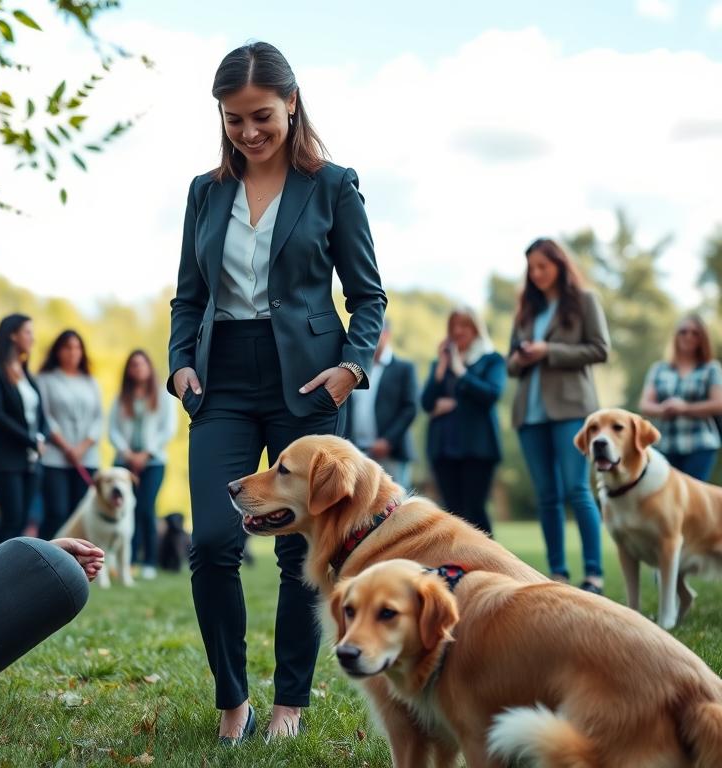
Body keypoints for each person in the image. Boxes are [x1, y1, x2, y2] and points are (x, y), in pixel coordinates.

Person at [167, 42, 386, 743]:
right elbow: (188, 296)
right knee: (213, 545)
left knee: (302, 552)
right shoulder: (205, 191)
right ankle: (234, 701)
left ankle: (290, 702)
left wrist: (351, 367)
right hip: (222, 378)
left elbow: (368, 296)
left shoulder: (333, 184)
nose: (249, 132)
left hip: (307, 382)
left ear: (292, 103)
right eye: (234, 121)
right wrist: (179, 364)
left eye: (261, 116)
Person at [508, 237, 610, 593]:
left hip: (571, 409)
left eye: (543, 266)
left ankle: (594, 574)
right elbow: (509, 364)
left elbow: (600, 349)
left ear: (560, 265)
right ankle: (558, 573)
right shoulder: (526, 309)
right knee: (547, 496)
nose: (536, 274)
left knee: (576, 489)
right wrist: (521, 358)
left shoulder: (584, 301)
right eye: (531, 268)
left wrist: (548, 350)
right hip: (529, 414)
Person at [421, 306, 506, 536]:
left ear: (476, 329)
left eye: (464, 326)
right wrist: (441, 368)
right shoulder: (441, 364)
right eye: (453, 326)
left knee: (475, 511)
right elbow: (427, 403)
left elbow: (491, 395)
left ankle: (489, 564)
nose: (458, 331)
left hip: (477, 448)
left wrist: (461, 373)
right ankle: (458, 566)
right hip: (444, 448)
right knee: (453, 513)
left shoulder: (492, 360)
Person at [0, 314, 49, 546]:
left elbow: (39, 414)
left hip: (30, 461)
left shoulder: (25, 372)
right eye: (28, 332)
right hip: (4, 458)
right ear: (12, 335)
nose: (32, 338)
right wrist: (31, 440)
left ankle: (12, 575)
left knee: (21, 521)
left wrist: (41, 437)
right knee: (10, 520)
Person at [109, 349, 175, 581]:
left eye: (141, 364)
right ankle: (128, 560)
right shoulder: (121, 397)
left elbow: (168, 428)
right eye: (133, 365)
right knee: (125, 510)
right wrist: (126, 453)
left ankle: (149, 560)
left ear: (149, 367)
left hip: (153, 462)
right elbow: (113, 430)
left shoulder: (161, 395)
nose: (138, 368)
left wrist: (146, 453)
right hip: (123, 463)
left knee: (146, 508)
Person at [37, 330, 103, 539]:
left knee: (82, 514)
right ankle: (43, 556)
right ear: (57, 351)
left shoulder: (90, 382)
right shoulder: (45, 379)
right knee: (57, 511)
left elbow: (99, 418)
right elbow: (45, 416)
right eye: (67, 347)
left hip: (87, 458)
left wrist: (82, 447)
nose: (72, 352)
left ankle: (78, 564)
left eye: (76, 347)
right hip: (55, 458)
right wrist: (66, 447)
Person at [639, 314, 722, 481]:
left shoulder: (711, 368)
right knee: (665, 499)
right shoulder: (659, 368)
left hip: (700, 443)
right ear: (676, 336)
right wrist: (663, 409)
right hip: (665, 444)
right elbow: (645, 404)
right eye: (683, 332)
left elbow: (718, 404)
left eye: (695, 333)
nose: (688, 336)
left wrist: (686, 408)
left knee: (693, 499)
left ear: (702, 338)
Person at [344, 319, 417, 488]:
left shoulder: (404, 368)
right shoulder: (354, 369)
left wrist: (388, 441)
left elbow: (410, 408)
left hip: (391, 454)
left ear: (386, 334)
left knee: (396, 508)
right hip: (357, 453)